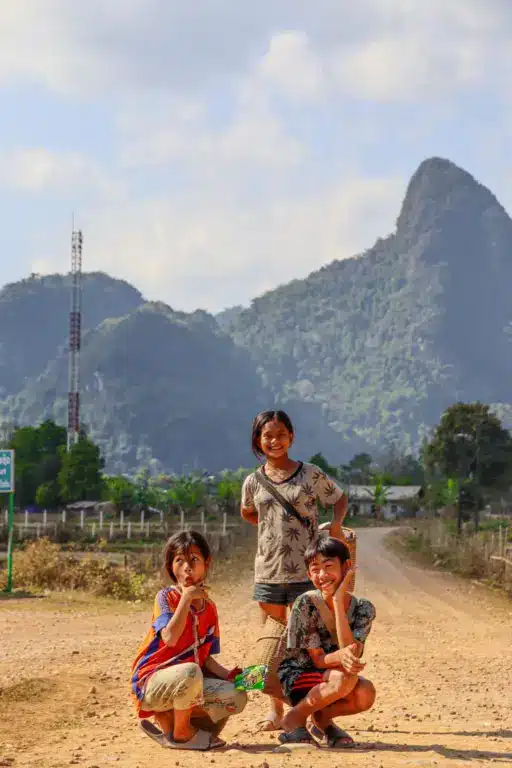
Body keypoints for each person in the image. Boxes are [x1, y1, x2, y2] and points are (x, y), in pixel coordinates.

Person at [240, 409, 348, 731]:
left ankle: (309, 710)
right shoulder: (252, 481)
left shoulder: (310, 474)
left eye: (281, 434)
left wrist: (337, 526)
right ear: (258, 440)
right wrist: (274, 529)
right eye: (267, 435)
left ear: (292, 437)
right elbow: (248, 512)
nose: (274, 441)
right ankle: (274, 710)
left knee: (302, 645)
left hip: (307, 572)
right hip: (268, 573)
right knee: (270, 644)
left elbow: (339, 499)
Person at [131, 530, 247, 751]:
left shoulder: (210, 608)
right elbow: (170, 638)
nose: (187, 567)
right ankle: (182, 733)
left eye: (194, 559)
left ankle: (177, 725)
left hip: (187, 681)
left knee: (238, 694)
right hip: (152, 683)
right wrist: (186, 598)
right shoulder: (166, 598)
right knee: (191, 672)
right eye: (179, 560)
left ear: (206, 563)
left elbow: (205, 658)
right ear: (170, 567)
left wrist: (232, 676)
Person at [277, 536, 376, 748]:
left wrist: (339, 603)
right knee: (344, 678)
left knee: (365, 693)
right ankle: (294, 718)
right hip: (298, 674)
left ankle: (321, 719)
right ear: (308, 573)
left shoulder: (363, 608)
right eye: (315, 569)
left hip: (333, 676)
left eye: (328, 566)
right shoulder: (306, 603)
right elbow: (318, 660)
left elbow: (352, 653)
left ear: (347, 567)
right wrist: (343, 656)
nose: (322, 575)